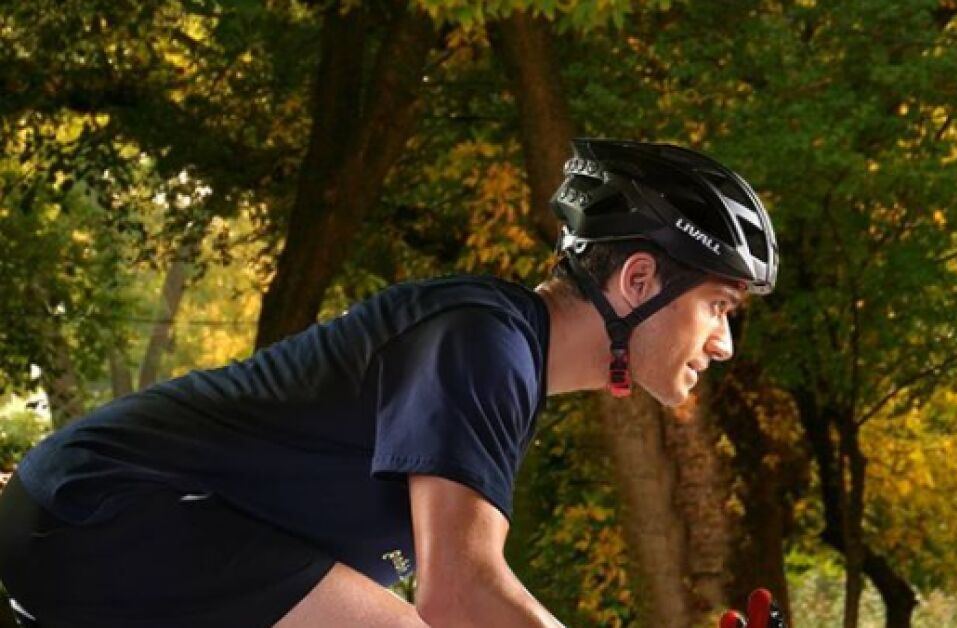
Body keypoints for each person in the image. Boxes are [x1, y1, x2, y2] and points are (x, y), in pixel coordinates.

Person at [0, 138, 778, 627]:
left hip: (95, 527)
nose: (723, 344)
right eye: (718, 306)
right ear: (638, 279)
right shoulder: (485, 343)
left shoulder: (500, 358)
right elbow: (460, 598)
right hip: (103, 514)